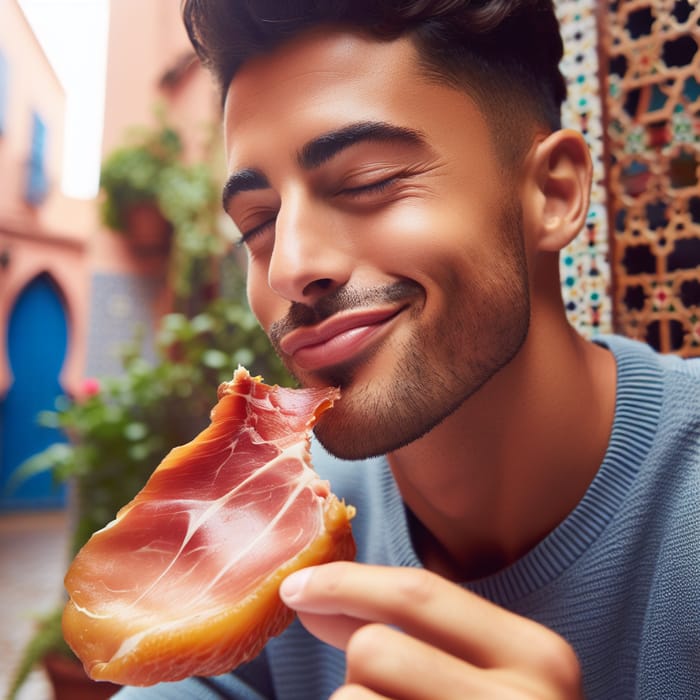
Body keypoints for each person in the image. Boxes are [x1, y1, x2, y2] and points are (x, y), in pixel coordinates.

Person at [115, 1, 700, 698]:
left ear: (553, 192)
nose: (289, 267)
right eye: (258, 224)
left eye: (367, 183)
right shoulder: (274, 531)